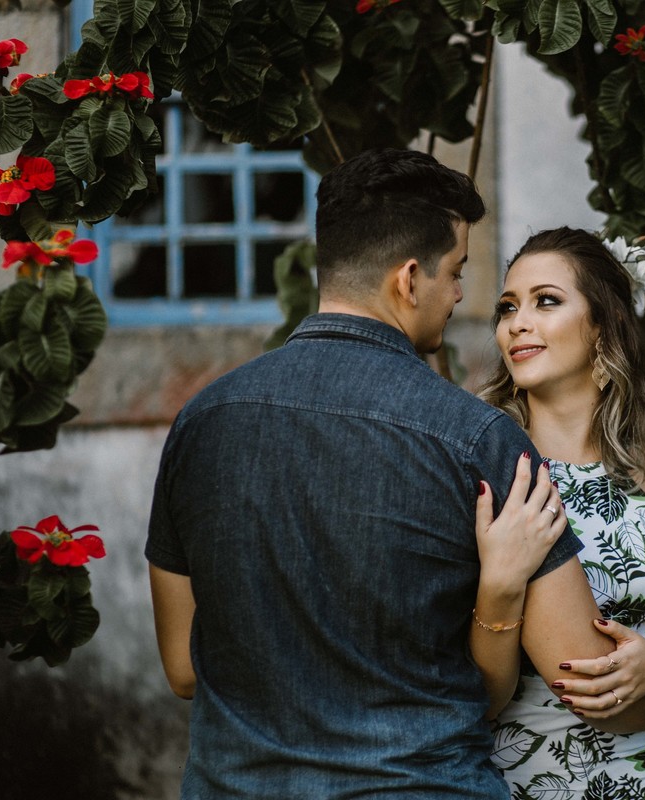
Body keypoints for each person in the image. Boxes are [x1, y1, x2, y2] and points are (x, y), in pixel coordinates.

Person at [145, 150, 616, 799]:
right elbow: (582, 673)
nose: (457, 295)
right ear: (409, 278)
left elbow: (182, 668)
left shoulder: (200, 423)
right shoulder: (477, 440)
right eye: (456, 273)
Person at [474, 227, 645, 798]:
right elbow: (481, 697)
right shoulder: (487, 476)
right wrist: (500, 588)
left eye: (547, 301)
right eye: (507, 307)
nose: (517, 322)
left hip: (632, 783)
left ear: (603, 325)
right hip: (507, 780)